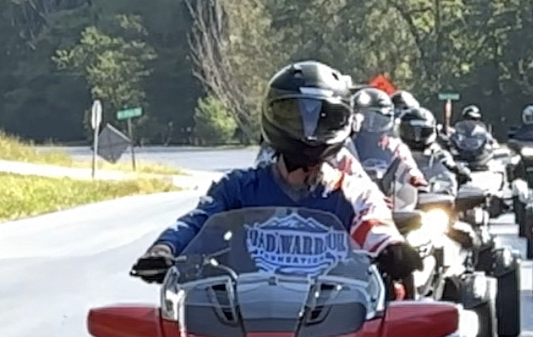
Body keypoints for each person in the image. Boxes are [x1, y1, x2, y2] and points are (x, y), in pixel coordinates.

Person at [131, 62, 418, 292]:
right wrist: (166, 248)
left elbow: (373, 223)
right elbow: (198, 222)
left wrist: (392, 248)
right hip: (244, 322)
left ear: (342, 123)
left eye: (322, 117)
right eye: (295, 116)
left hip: (334, 322)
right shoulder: (238, 188)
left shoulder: (353, 191)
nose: (308, 130)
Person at [349, 86, 427, 193]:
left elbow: (405, 162)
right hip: (352, 191)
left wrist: (415, 177)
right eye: (366, 117)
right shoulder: (348, 141)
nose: (372, 122)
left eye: (378, 118)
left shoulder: (392, 143)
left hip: (388, 190)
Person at [399, 106, 466, 189]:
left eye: (423, 131)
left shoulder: (438, 153)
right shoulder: (396, 152)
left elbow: (450, 164)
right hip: (401, 194)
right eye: (411, 131)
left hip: (433, 194)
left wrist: (458, 170)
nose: (417, 137)